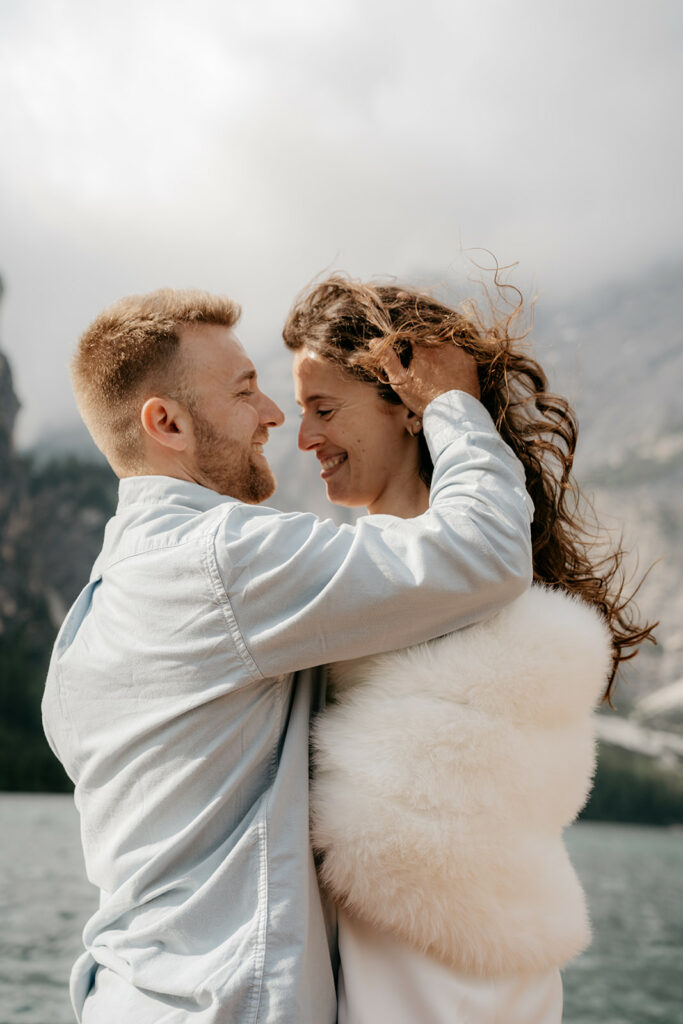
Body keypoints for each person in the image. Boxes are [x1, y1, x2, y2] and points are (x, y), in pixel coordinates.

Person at [41, 287, 534, 1023]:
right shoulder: (221, 561)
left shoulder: (87, 617)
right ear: (166, 422)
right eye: (246, 393)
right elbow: (487, 551)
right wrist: (451, 406)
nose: (275, 416)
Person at [283, 274, 655, 1024]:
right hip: (516, 971)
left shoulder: (374, 583)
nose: (304, 440)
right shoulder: (502, 598)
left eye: (323, 410)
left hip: (410, 972)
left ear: (408, 410)